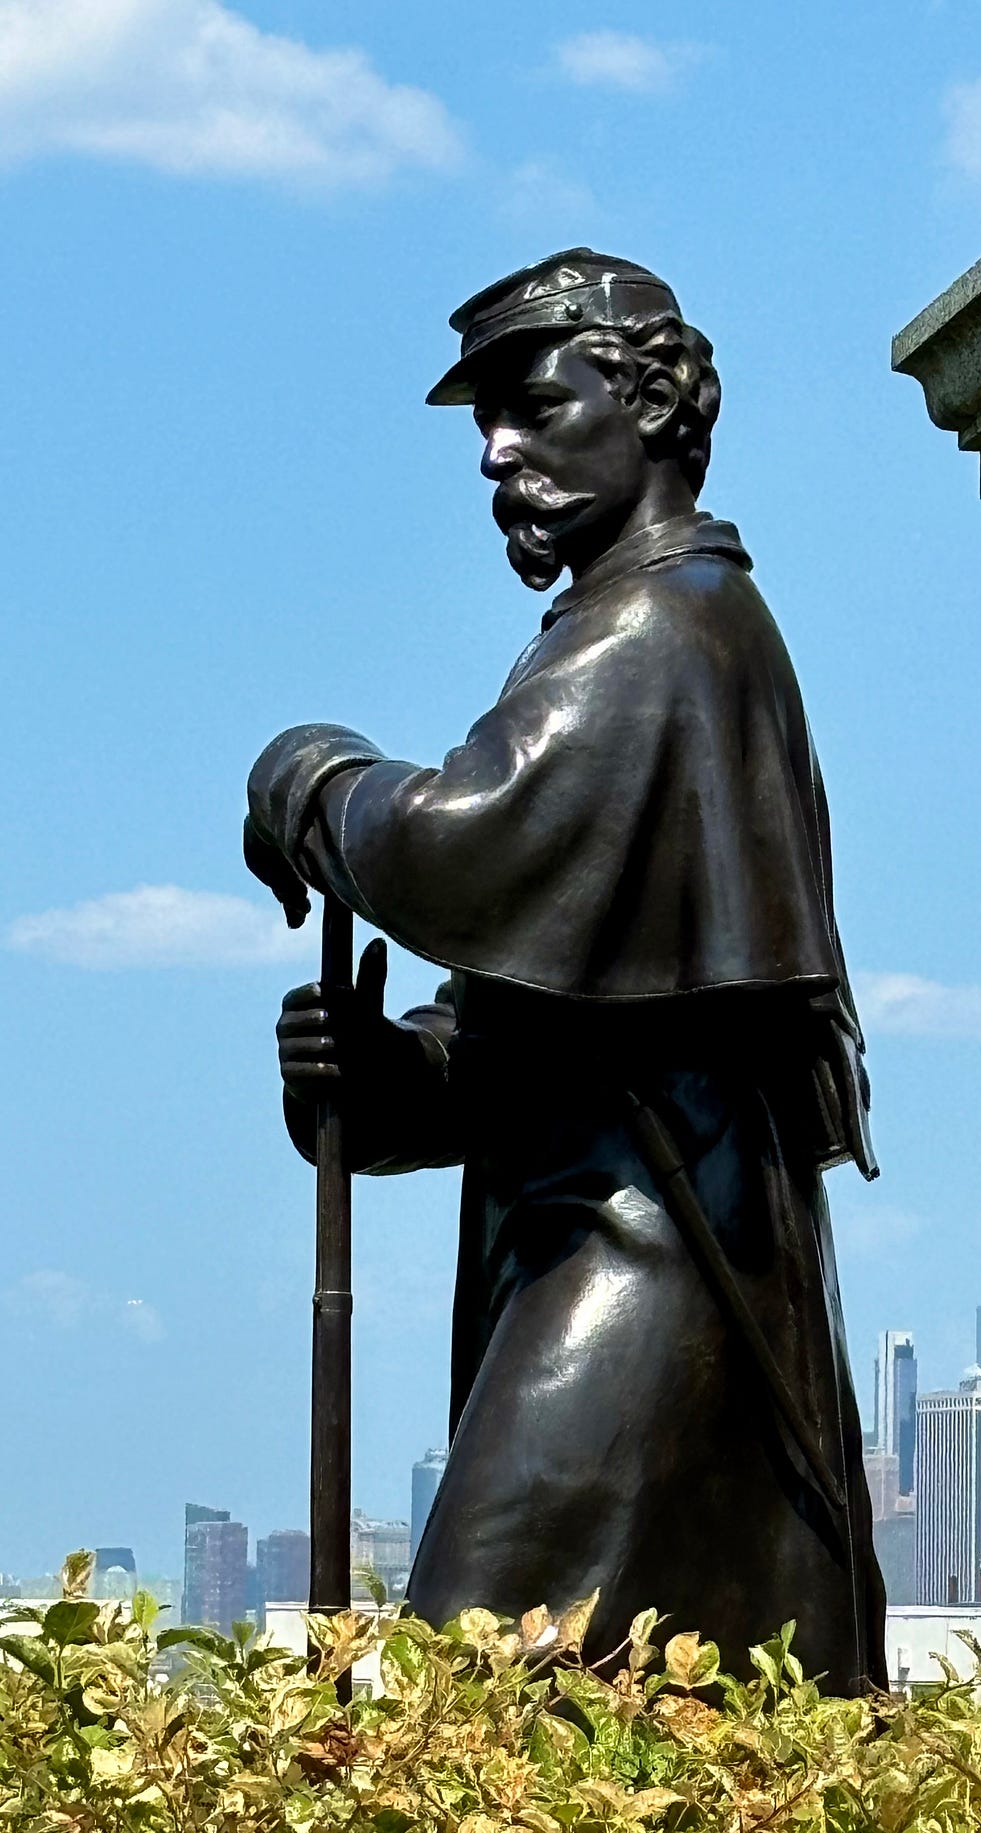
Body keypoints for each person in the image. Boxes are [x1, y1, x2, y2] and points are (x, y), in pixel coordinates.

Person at [243, 249, 886, 1692]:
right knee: (590, 1719)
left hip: (659, 1267)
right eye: (489, 424)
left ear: (651, 401)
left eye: (536, 406)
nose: (497, 451)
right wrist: (387, 1078)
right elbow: (548, 1028)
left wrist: (306, 779)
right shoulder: (617, 627)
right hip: (617, 1242)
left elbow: (449, 846)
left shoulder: (664, 629)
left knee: (474, 1678)